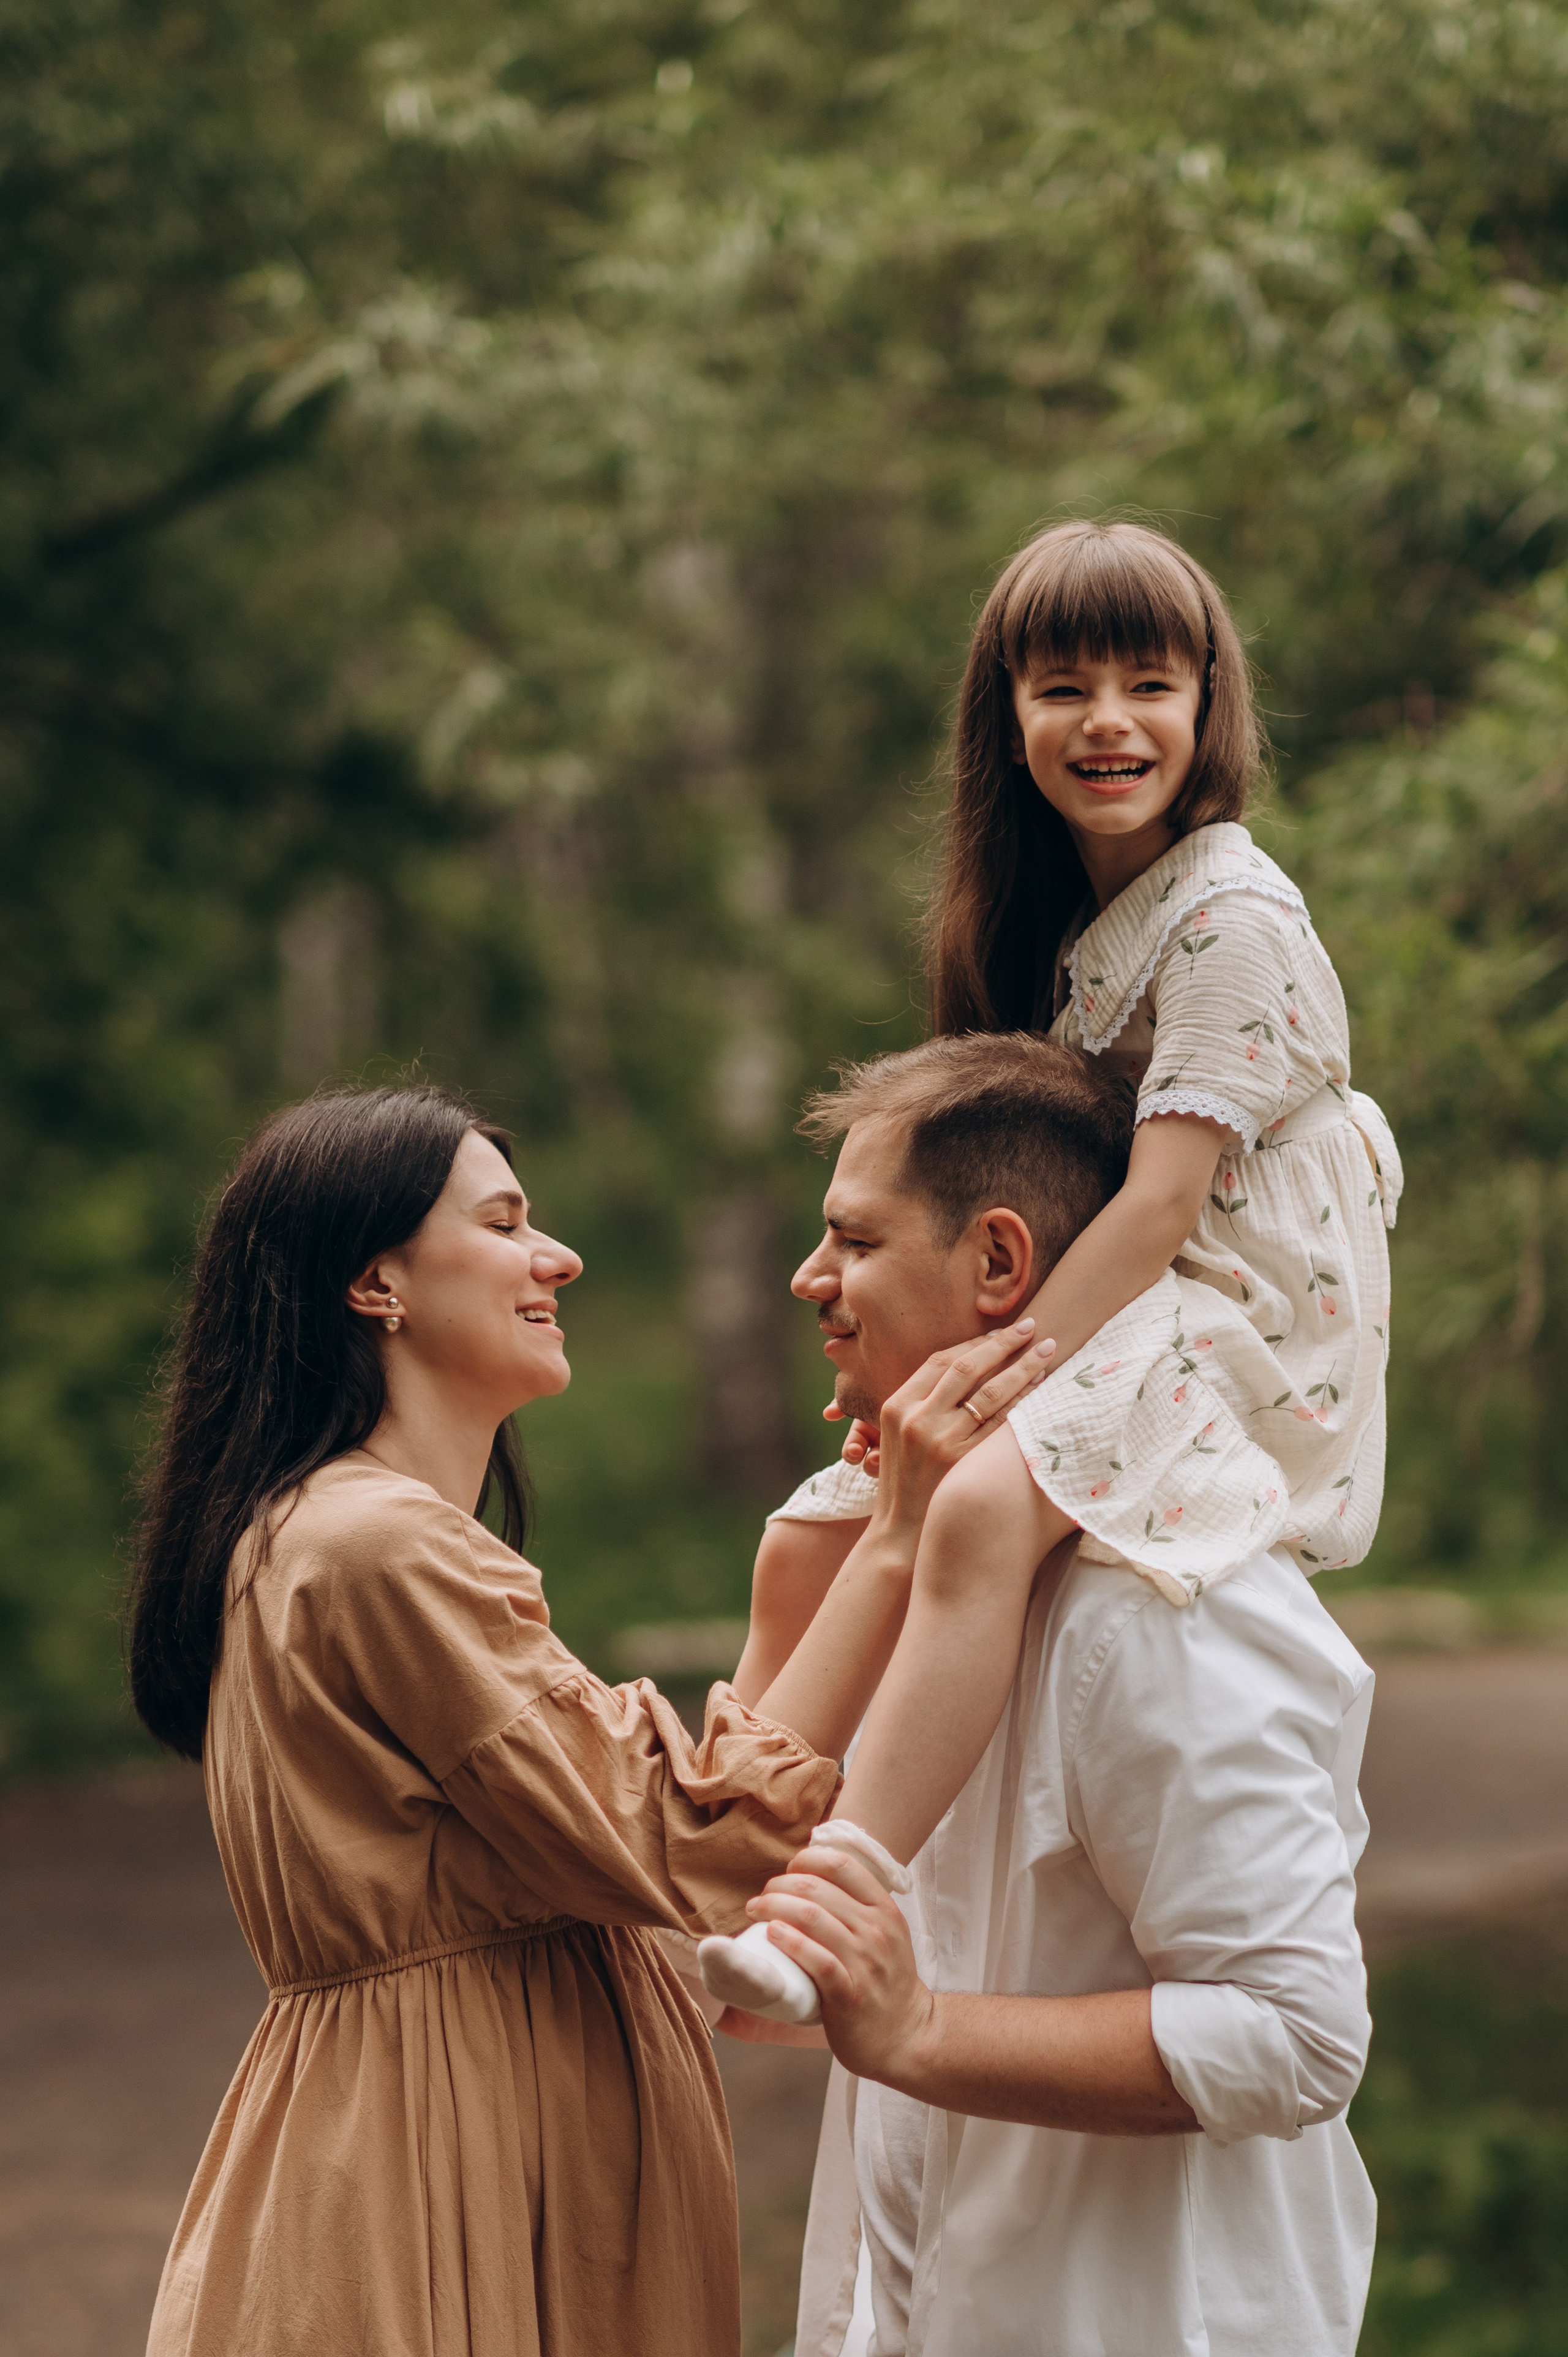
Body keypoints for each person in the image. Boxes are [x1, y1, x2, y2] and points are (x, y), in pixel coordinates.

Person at [126, 1083, 1050, 2357]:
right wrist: (896, 1539)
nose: (554, 1255)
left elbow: (658, 1833)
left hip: (453, 2139)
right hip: (437, 2172)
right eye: (504, 1222)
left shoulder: (344, 1537)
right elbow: (685, 1837)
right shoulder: (378, 1547)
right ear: (374, 1281)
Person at [698, 516, 1400, 2026]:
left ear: (1207, 705)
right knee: (816, 1526)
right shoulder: (1063, 925)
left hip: (1232, 1306)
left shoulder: (1229, 914)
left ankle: (832, 1903)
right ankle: (695, 1864)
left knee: (974, 1501)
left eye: (1149, 682)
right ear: (1004, 717)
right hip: (1126, 1293)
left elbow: (1153, 1211)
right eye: (1061, 685)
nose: (1107, 723)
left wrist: (983, 1374)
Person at [743, 1035, 1378, 2356]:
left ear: (997, 1264)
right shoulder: (898, 1574)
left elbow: (1297, 2034)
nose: (810, 1281)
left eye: (851, 1241)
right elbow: (733, 1975)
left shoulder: (1160, 1607)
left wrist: (921, 2031)